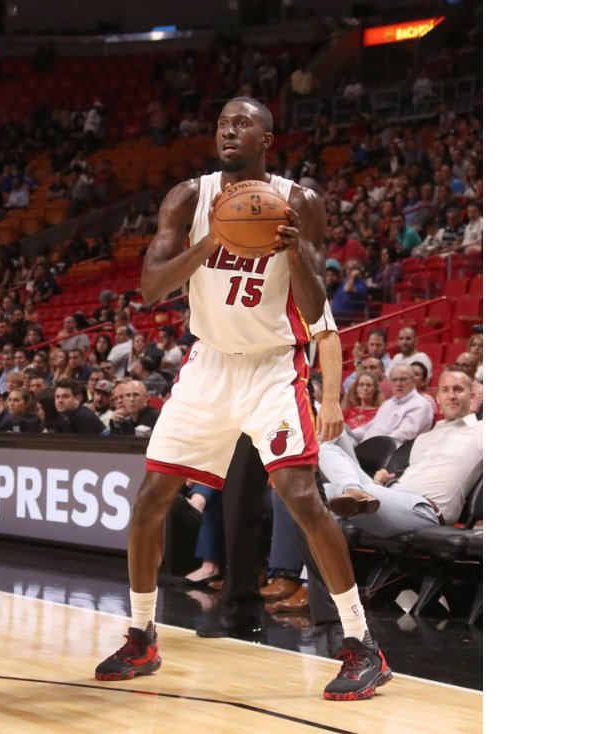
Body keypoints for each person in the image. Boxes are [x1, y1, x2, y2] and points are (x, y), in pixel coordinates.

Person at [94, 97, 389, 701]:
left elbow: (313, 307)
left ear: (267, 139)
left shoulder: (299, 201)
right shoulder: (187, 197)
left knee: (303, 495)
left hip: (273, 367)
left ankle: (363, 645)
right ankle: (141, 634)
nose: (229, 130)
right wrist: (212, 242)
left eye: (243, 123)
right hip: (208, 365)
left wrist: (287, 249)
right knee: (152, 496)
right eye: (222, 122)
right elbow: (152, 287)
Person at [319, 370, 482, 535]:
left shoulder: (480, 431)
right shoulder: (423, 439)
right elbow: (418, 476)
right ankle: (353, 490)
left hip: (426, 510)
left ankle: (356, 493)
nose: (452, 396)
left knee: (362, 494)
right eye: (445, 390)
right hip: (394, 497)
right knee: (321, 472)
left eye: (458, 390)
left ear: (472, 396)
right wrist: (387, 481)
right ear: (438, 398)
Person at [349, 364, 433, 444]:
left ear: (413, 381)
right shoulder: (387, 404)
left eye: (403, 379)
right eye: (394, 380)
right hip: (370, 447)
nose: (398, 384)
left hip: (392, 453)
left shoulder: (420, 405)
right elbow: (370, 427)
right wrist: (349, 434)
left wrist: (370, 445)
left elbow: (404, 434)